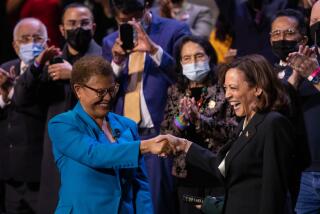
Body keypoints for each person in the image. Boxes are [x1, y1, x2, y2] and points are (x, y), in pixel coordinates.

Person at [158, 54, 296, 214]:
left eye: (234, 88)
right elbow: (222, 167)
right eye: (225, 88)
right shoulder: (245, 123)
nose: (227, 95)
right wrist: (183, 145)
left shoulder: (273, 123)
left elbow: (273, 191)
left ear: (257, 88)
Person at [48, 55, 172, 213]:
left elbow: (140, 185)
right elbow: (95, 154)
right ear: (79, 90)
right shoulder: (62, 124)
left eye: (111, 90)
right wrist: (145, 146)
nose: (107, 97)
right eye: (100, 92)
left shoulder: (127, 125)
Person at [103, 0, 190, 213]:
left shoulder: (174, 30)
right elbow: (105, 93)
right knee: (125, 201)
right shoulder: (110, 42)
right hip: (123, 136)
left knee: (157, 203)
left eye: (136, 16)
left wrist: (153, 50)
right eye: (124, 19)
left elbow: (185, 77)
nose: (132, 22)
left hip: (160, 132)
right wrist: (116, 62)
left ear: (147, 6)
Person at [23, 3, 102, 213]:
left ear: (93, 27)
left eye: (84, 23)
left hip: (91, 148)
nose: (78, 28)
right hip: (56, 154)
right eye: (72, 23)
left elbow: (107, 94)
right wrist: (37, 65)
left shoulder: (105, 58)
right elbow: (23, 99)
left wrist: (74, 73)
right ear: (61, 29)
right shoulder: (52, 61)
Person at [160, 35, 237, 213]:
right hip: (187, 176)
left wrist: (199, 120)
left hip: (217, 172)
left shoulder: (224, 87)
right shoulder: (175, 91)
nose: (193, 62)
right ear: (180, 63)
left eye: (199, 56)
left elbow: (233, 131)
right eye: (187, 58)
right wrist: (182, 121)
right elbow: (166, 133)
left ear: (209, 56)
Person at [0, 18, 48, 213]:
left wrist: (12, 93)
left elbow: (41, 109)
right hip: (10, 173)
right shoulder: (5, 68)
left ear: (47, 42)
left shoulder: (53, 70)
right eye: (25, 39)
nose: (32, 44)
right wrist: (3, 97)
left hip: (40, 171)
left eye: (37, 38)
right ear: (14, 45)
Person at [285, 1, 320, 213]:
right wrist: (297, 76)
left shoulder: (312, 68)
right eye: (315, 21)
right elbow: (279, 105)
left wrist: (315, 76)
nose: (318, 25)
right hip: (306, 173)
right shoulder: (305, 59)